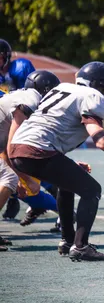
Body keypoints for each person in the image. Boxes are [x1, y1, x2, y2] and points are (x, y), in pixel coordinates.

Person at [9, 61, 104, 261]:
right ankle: (80, 246)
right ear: (99, 86)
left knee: (67, 184)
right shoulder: (92, 97)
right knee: (92, 190)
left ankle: (68, 240)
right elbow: (102, 142)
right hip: (37, 148)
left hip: (18, 146)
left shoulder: (63, 88)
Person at [0, 71, 61, 251]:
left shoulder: (20, 97)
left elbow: (4, 149)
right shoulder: (30, 100)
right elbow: (12, 147)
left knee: (8, 178)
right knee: (9, 179)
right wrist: (24, 179)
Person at [0, 39, 36, 220]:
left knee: (29, 160)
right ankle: (15, 197)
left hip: (25, 118)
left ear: (6, 57)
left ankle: (55, 200)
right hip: (6, 121)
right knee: (9, 166)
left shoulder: (20, 68)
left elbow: (31, 94)